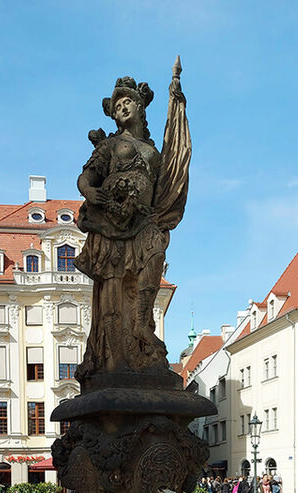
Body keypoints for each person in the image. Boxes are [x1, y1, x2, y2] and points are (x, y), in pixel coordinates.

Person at [75, 63, 190, 379]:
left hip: (143, 219)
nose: (122, 108)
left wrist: (176, 103)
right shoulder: (110, 145)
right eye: (117, 105)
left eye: (127, 102)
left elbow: (171, 166)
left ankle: (141, 321)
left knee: (156, 250)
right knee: (112, 289)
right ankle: (115, 360)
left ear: (140, 106)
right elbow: (87, 176)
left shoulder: (153, 150)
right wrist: (91, 194)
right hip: (111, 221)